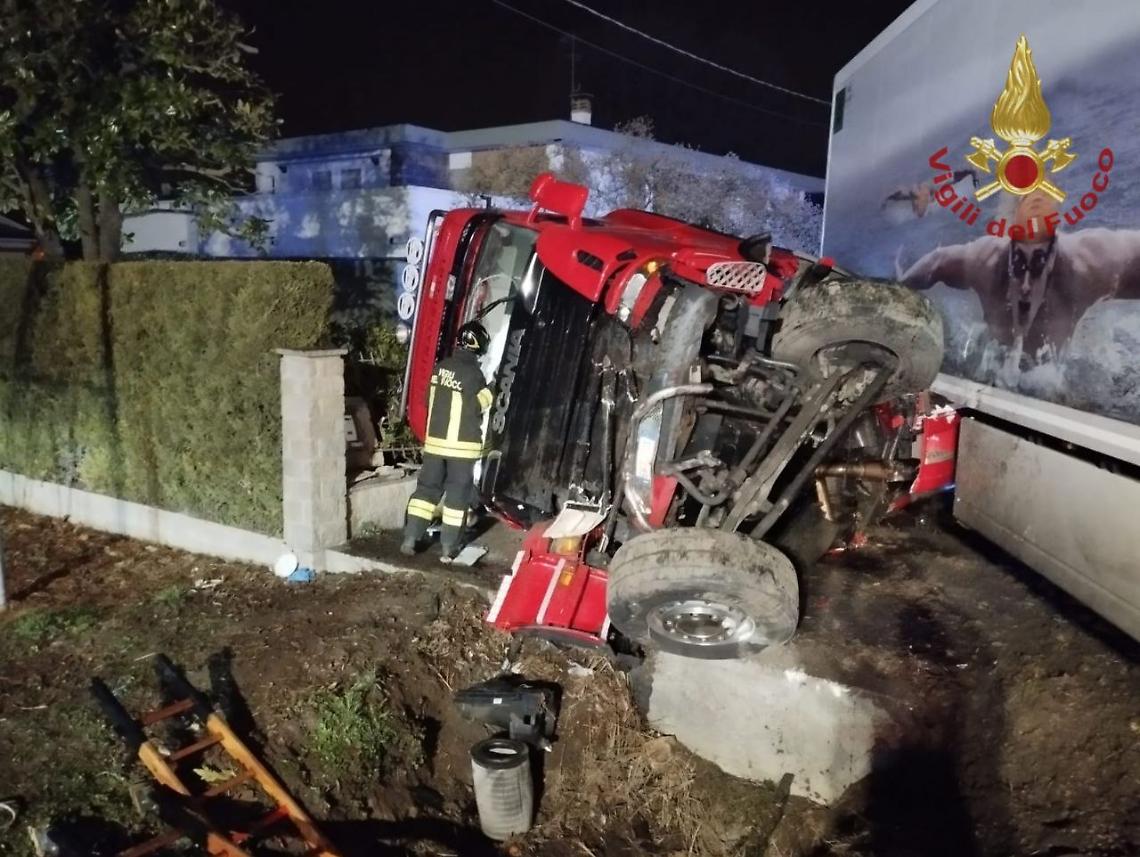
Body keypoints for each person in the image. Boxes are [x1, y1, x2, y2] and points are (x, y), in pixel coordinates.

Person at [402, 321, 494, 562]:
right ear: (479, 345)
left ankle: (410, 539)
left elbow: (426, 400)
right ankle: (448, 548)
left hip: (434, 446)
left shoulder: (439, 368)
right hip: (461, 449)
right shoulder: (474, 374)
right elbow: (476, 407)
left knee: (425, 492)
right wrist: (491, 391)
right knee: (456, 498)